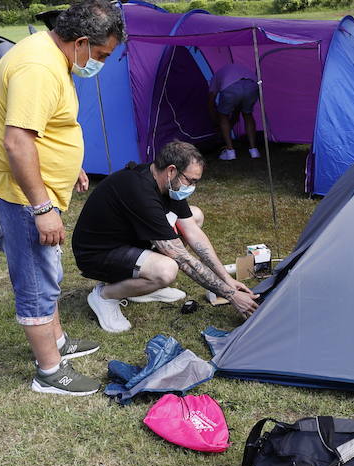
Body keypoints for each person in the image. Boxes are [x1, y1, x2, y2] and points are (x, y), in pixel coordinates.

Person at [0, 0, 126, 396]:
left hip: (29, 191)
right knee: (37, 280)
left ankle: (57, 343)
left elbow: (45, 126)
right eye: (102, 55)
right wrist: (41, 207)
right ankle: (49, 372)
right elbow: (18, 142)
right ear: (82, 42)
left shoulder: (51, 55)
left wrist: (67, 164)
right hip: (17, 196)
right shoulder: (38, 67)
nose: (101, 64)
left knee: (47, 272)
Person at [73, 141, 259, 332]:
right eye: (191, 181)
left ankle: (141, 288)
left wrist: (227, 279)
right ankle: (105, 296)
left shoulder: (166, 184)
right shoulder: (139, 191)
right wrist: (231, 295)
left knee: (194, 217)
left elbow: (194, 234)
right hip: (97, 254)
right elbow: (182, 259)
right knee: (167, 269)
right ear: (171, 171)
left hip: (128, 241)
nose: (193, 187)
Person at [209, 61, 261, 161]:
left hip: (231, 87)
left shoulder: (215, 77)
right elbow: (237, 108)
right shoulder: (239, 68)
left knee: (223, 115)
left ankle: (230, 151)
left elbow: (210, 102)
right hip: (252, 84)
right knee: (247, 114)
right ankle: (254, 150)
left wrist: (215, 120)